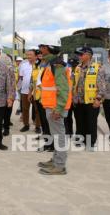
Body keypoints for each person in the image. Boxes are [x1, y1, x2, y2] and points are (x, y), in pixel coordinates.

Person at [36, 44, 72, 175]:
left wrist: (58, 109)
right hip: (52, 106)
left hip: (56, 107)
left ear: (48, 49)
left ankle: (60, 165)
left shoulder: (57, 65)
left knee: (59, 136)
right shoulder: (51, 63)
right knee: (56, 135)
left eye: (42, 47)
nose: (40, 49)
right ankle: (56, 160)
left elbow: (63, 89)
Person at [72, 46, 102, 150]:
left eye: (81, 54)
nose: (79, 56)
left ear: (88, 55)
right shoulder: (77, 67)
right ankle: (80, 140)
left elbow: (102, 86)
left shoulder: (97, 67)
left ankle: (90, 143)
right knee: (79, 122)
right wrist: (73, 97)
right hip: (79, 100)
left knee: (91, 123)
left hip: (91, 101)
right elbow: (74, 83)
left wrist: (98, 99)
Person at [19, 50, 41, 133]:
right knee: (25, 109)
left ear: (36, 56)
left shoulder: (40, 65)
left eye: (31, 55)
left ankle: (38, 126)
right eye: (27, 55)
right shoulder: (23, 65)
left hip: (37, 91)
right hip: (24, 91)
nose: (29, 56)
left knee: (37, 110)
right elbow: (21, 77)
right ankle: (26, 125)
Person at [64, 57, 79, 136]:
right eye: (71, 65)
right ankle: (68, 132)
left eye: (74, 65)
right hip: (68, 98)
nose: (72, 67)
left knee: (78, 118)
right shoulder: (66, 72)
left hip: (77, 99)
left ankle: (78, 134)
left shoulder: (80, 72)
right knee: (67, 117)